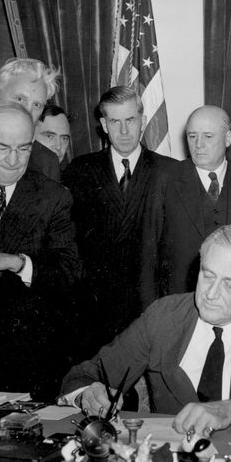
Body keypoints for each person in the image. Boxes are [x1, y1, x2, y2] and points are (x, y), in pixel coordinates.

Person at [60, 225, 231, 435]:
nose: (211, 294)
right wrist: (88, 394)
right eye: (207, 275)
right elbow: (85, 374)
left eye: (230, 284)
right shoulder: (162, 317)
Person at [0, 101, 81, 398]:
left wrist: (18, 263)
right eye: (2, 147)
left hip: (23, 359)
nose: (14, 160)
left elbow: (69, 273)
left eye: (25, 148)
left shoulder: (53, 197)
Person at [63, 86, 176, 348]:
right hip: (94, 308)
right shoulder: (80, 171)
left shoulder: (170, 172)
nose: (124, 131)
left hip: (148, 305)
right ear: (103, 124)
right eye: (115, 121)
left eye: (130, 120)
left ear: (143, 121)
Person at [140, 106, 231, 308]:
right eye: (192, 136)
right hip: (178, 304)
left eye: (208, 136)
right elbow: (148, 253)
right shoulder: (165, 178)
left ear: (228, 139)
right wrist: (152, 311)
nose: (198, 145)